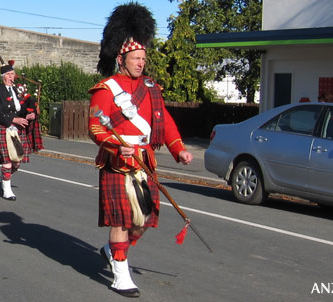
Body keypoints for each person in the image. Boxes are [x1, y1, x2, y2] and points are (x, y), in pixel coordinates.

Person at [89, 3, 194, 298]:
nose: (141, 63)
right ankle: (120, 274)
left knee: (145, 219)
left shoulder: (151, 87)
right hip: (117, 161)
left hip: (144, 161)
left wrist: (180, 150)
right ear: (121, 58)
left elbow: (165, 123)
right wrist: (115, 145)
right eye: (136, 58)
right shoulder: (105, 89)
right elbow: (96, 127)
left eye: (143, 58)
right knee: (121, 219)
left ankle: (112, 250)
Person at [0, 60, 34, 201]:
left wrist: (29, 114)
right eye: (9, 74)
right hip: (2, 127)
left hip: (16, 128)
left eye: (13, 74)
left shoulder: (17, 90)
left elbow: (23, 107)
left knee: (17, 161)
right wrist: (14, 120)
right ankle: (7, 190)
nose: (11, 76)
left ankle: (5, 176)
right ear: (3, 76)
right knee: (7, 160)